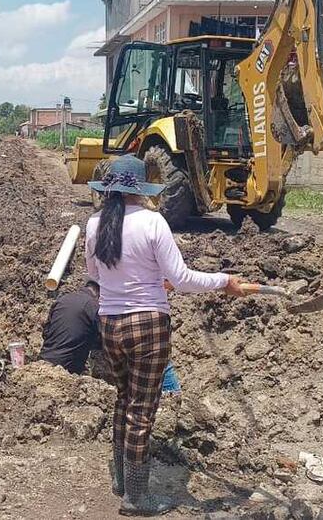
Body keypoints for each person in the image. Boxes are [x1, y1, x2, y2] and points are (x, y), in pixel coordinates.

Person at [86, 155, 244, 515]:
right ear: (141, 190)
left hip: (110, 324)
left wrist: (147, 280)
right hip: (148, 326)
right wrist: (224, 282)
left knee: (123, 399)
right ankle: (136, 499)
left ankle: (122, 480)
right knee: (142, 410)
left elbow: (95, 274)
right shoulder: (153, 222)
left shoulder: (95, 223)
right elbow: (185, 279)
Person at [39, 280, 101, 375]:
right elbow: (103, 338)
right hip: (66, 371)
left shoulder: (62, 300)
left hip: (42, 363)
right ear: (99, 293)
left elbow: (46, 332)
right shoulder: (93, 306)